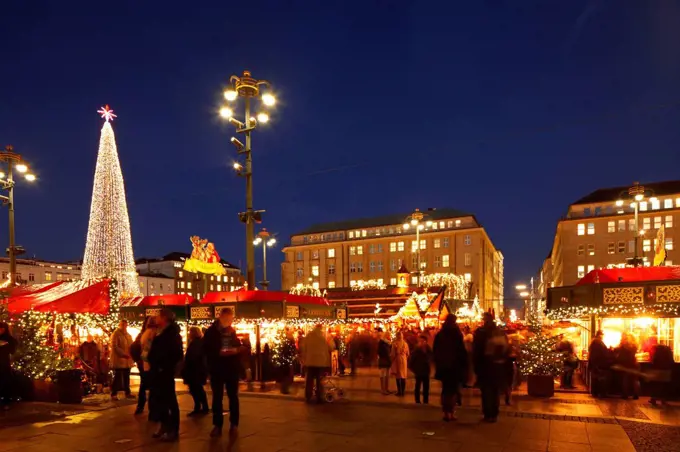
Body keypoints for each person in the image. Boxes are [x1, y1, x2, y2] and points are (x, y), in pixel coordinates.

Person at [204, 307, 243, 438]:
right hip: (217, 368)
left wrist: (237, 350)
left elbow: (237, 346)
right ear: (222, 317)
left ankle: (234, 424)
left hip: (231, 368)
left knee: (233, 396)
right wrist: (218, 353)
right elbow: (207, 350)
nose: (230, 321)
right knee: (217, 397)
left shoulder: (232, 331)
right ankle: (217, 425)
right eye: (228, 318)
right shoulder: (211, 331)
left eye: (231, 318)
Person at [147, 309, 183, 442]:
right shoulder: (160, 332)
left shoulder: (171, 334)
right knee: (160, 400)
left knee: (169, 400)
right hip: (157, 370)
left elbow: (175, 353)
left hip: (164, 371)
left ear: (164, 318)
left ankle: (173, 429)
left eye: (158, 316)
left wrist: (164, 366)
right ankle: (164, 425)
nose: (155, 319)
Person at [473, 312, 508, 423]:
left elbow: (476, 351)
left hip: (485, 366)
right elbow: (506, 349)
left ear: (484, 320)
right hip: (498, 366)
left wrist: (476, 367)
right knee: (495, 391)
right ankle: (494, 413)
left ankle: (488, 414)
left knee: (486, 391)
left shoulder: (480, 332)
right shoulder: (500, 332)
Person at [433, 315, 467, 421]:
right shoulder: (456, 334)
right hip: (454, 366)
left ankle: (445, 412)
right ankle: (451, 412)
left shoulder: (440, 334)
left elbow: (435, 351)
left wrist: (438, 363)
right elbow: (461, 350)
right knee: (453, 390)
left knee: (445, 389)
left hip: (443, 366)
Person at [301, 324, 334, 403]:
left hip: (310, 361)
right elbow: (332, 347)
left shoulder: (309, 335)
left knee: (309, 380)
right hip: (321, 362)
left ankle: (308, 396)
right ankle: (319, 397)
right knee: (319, 380)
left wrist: (304, 358)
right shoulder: (325, 336)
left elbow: (303, 347)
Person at [131, 316, 156, 416]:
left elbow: (133, 347)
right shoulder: (151, 334)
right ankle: (151, 409)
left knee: (144, 385)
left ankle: (141, 406)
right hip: (148, 364)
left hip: (143, 364)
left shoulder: (142, 335)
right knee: (152, 386)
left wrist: (137, 360)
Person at [183, 326, 209, 416]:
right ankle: (202, 406)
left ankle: (199, 406)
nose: (189, 334)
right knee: (197, 389)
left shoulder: (196, 343)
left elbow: (193, 357)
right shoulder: (199, 342)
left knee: (196, 389)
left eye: (190, 332)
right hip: (197, 370)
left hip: (194, 370)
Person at [110, 320, 134, 401]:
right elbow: (115, 346)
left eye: (125, 325)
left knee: (126, 376)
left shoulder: (128, 335)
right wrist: (123, 354)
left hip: (127, 360)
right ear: (119, 325)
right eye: (123, 325)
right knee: (118, 377)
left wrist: (131, 354)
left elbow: (131, 345)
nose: (124, 326)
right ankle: (114, 393)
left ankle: (127, 392)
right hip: (119, 360)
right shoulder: (116, 334)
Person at [409, 334, 433, 404]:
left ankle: (425, 400)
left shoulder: (428, 349)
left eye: (423, 341)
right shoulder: (416, 350)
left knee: (426, 387)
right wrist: (415, 370)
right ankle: (417, 401)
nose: (421, 342)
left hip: (426, 371)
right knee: (417, 387)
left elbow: (431, 357)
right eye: (420, 341)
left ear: (426, 342)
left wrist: (428, 361)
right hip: (418, 371)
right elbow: (411, 362)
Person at [615, 333, 639, 400]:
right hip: (633, 363)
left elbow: (617, 350)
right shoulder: (635, 345)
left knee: (625, 379)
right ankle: (636, 394)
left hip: (626, 364)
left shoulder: (623, 345)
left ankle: (625, 394)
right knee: (635, 380)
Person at [0, 322, 17, 409]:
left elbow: (12, 350)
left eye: (2, 329)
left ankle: (6, 401)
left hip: (4, 363)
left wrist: (6, 345)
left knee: (5, 381)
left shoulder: (9, 339)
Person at [588, 330, 610, 398]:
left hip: (594, 363)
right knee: (601, 379)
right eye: (602, 335)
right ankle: (600, 393)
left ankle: (595, 392)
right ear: (600, 335)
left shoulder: (594, 342)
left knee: (595, 378)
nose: (603, 336)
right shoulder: (599, 342)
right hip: (599, 364)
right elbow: (604, 352)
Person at [390, 331, 410, 397]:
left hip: (397, 360)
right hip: (404, 360)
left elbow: (392, 354)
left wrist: (392, 360)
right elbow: (408, 353)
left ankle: (399, 391)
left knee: (398, 376)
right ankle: (403, 392)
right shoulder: (405, 344)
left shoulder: (395, 344)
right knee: (403, 376)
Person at [376, 329, 392, 395]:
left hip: (387, 361)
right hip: (383, 360)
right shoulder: (382, 342)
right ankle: (383, 390)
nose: (390, 336)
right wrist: (386, 356)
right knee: (383, 375)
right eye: (389, 335)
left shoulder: (389, 343)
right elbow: (379, 351)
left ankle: (386, 389)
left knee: (387, 375)